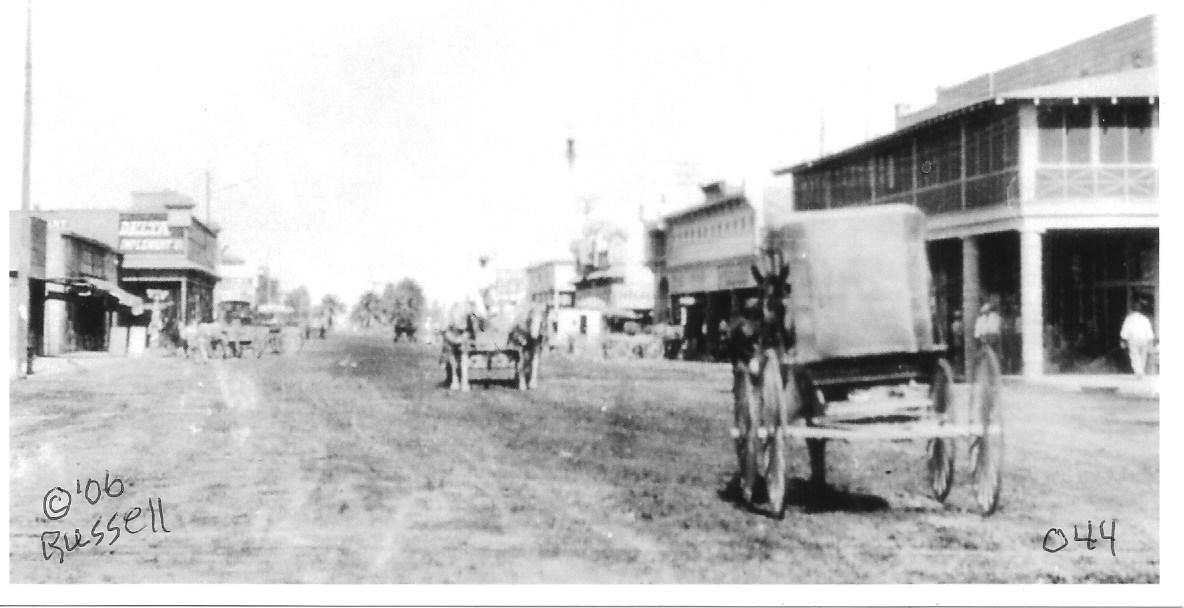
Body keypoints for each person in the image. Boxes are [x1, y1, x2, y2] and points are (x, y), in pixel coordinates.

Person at [1120, 301, 1155, 379]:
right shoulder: (1145, 319)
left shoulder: (1129, 319)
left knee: (1134, 355)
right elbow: (1149, 331)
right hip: (1144, 339)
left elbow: (1125, 330)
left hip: (1133, 339)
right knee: (1143, 355)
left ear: (1131, 310)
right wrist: (1150, 340)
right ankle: (1141, 371)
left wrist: (1123, 339)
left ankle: (1138, 371)